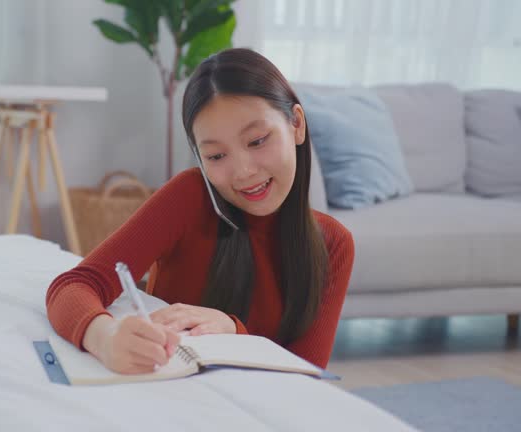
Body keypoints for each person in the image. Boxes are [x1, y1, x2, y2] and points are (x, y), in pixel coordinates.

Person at [46, 47, 354, 374]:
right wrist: (105, 338)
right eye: (216, 156)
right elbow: (74, 286)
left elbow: (304, 377)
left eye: (257, 140)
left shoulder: (333, 243)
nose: (243, 172)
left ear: (296, 124)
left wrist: (233, 331)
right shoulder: (190, 197)